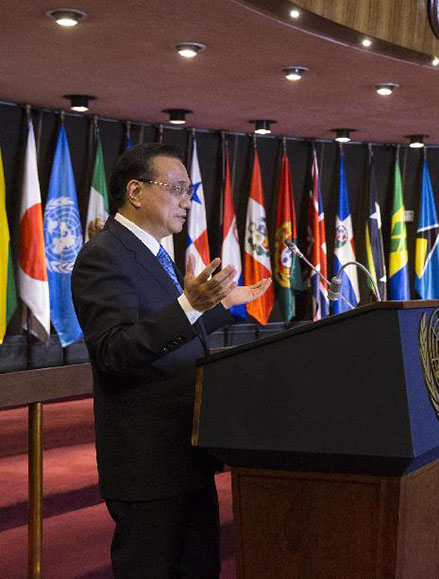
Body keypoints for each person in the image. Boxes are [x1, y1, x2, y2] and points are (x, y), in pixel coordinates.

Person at [71, 143, 271, 578]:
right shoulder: (103, 255)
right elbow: (114, 351)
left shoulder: (155, 253)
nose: (187, 201)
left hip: (186, 453)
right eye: (177, 188)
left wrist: (219, 305)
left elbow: (170, 337)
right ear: (136, 192)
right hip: (147, 465)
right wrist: (189, 305)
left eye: (189, 190)